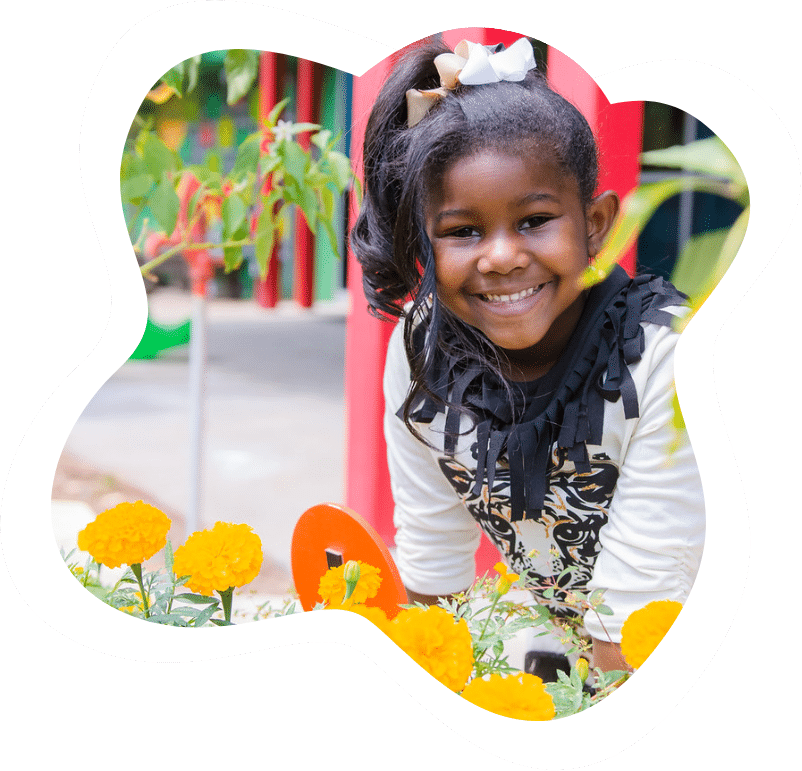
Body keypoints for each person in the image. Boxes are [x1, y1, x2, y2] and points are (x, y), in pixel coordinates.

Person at [350, 37, 705, 678]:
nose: (503, 256)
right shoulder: (422, 352)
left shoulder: (667, 356)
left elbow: (637, 619)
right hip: (590, 671)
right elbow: (433, 572)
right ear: (424, 243)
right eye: (463, 231)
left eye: (536, 220)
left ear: (594, 224)